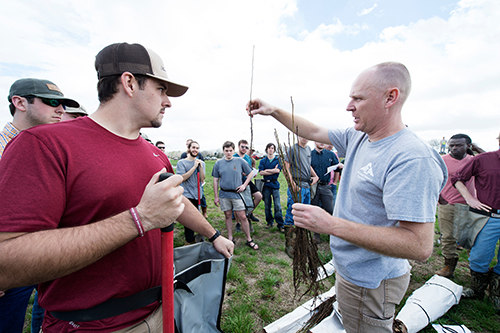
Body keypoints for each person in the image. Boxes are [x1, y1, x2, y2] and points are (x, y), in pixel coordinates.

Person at [0, 42, 233, 333]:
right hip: (89, 326)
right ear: (130, 83)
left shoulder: (155, 154)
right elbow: (5, 263)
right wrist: (140, 218)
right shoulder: (45, 145)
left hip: (162, 312)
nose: (168, 101)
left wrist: (213, 235)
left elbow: (173, 201)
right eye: (161, 89)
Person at [247, 62, 446, 332]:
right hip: (353, 270)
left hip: (372, 282)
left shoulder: (410, 157)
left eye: (358, 98)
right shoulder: (360, 137)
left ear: (391, 97)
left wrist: (329, 225)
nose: (349, 106)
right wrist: (274, 111)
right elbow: (314, 131)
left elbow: (418, 246)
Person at [0, 78, 79, 333]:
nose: (60, 110)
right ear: (20, 102)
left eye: (63, 105)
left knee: (46, 313)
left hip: (41, 253)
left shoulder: (46, 148)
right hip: (9, 264)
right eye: (52, 103)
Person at [452, 132, 500, 314]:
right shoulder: (483, 160)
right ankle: (477, 289)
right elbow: (457, 178)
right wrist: (469, 198)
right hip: (490, 217)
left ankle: (496, 293)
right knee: (479, 256)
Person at [435, 134, 476, 278]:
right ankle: (448, 267)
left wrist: (477, 149)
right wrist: (441, 198)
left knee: (472, 238)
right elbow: (434, 178)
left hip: (470, 205)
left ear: (468, 146)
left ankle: (474, 269)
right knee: (447, 236)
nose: (454, 148)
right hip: (448, 204)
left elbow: (494, 161)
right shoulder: (443, 160)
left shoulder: (474, 161)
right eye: (451, 145)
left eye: (458, 145)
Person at [213, 141, 259, 250]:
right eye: (226, 150)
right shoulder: (218, 163)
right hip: (224, 194)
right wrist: (216, 196)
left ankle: (249, 239)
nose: (228, 153)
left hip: (237, 194)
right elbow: (215, 180)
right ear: (223, 151)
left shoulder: (239, 161)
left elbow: (251, 172)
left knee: (242, 216)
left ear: (234, 151)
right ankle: (230, 237)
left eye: (230, 150)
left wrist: (244, 185)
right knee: (228, 215)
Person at [282, 136, 319, 258]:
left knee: (304, 214)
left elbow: (307, 165)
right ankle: (289, 244)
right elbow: (285, 167)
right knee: (292, 213)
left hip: (307, 186)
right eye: (302, 135)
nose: (305, 138)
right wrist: (292, 184)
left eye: (306, 135)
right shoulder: (293, 149)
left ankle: (300, 241)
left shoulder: (308, 149)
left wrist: (315, 175)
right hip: (297, 185)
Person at [176, 140, 206, 244]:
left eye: (197, 148)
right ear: (189, 149)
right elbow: (182, 178)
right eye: (193, 147)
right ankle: (189, 241)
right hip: (186, 195)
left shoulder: (201, 163)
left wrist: (200, 167)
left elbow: (202, 178)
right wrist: (193, 167)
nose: (195, 150)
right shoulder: (181, 162)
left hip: (198, 194)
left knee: (197, 217)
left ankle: (197, 237)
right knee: (189, 219)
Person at [310, 141, 339, 244]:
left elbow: (337, 168)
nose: (322, 143)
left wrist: (335, 182)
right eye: (319, 141)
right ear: (314, 142)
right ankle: (316, 234)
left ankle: (330, 232)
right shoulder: (310, 154)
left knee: (330, 209)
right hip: (314, 187)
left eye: (323, 141)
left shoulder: (330, 154)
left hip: (326, 186)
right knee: (315, 210)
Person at [233, 139, 262, 232]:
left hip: (247, 182)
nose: (244, 148)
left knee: (258, 196)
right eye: (242, 146)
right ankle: (238, 223)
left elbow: (250, 171)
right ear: (238, 146)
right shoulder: (234, 157)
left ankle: (248, 213)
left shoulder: (249, 158)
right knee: (237, 203)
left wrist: (250, 174)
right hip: (236, 182)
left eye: (246, 147)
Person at [258, 143, 284, 232]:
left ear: (274, 150)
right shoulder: (263, 161)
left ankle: (280, 224)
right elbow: (261, 173)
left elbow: (278, 170)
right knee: (267, 205)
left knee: (277, 205)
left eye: (272, 148)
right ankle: (269, 222)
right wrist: (272, 170)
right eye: (269, 148)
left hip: (275, 185)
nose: (270, 150)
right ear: (266, 149)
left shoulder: (278, 160)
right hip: (266, 185)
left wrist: (267, 170)